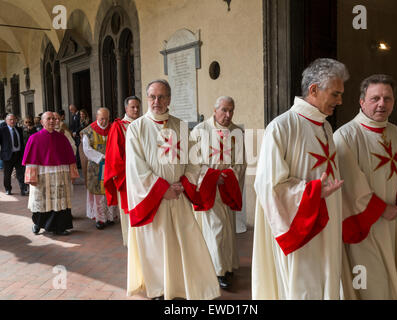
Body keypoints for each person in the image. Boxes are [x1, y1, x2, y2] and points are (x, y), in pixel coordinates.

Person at [252, 58, 348, 300]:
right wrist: (312, 192)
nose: (340, 101)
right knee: (303, 284)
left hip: (328, 218)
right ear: (314, 89)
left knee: (327, 278)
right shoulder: (281, 127)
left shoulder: (325, 127)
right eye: (335, 94)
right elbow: (268, 185)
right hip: (300, 223)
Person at [125, 79, 220, 300]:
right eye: (152, 96)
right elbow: (135, 167)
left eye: (161, 97)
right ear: (147, 98)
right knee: (156, 245)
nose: (156, 101)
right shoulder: (136, 128)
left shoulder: (181, 126)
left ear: (169, 99)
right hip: (154, 198)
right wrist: (161, 189)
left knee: (183, 244)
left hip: (178, 197)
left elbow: (195, 160)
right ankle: (159, 288)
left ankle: (181, 285)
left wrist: (183, 183)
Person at [334, 74, 397, 299]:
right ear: (362, 101)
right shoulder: (346, 136)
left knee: (389, 278)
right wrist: (381, 209)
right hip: (363, 223)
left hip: (390, 224)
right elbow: (349, 185)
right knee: (369, 282)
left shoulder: (392, 132)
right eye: (375, 98)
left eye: (387, 98)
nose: (382, 103)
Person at [183, 96, 246, 289]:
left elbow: (241, 162)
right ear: (215, 109)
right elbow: (192, 162)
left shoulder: (237, 132)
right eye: (224, 110)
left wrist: (229, 176)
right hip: (208, 189)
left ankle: (227, 266)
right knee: (215, 229)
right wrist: (210, 177)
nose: (228, 115)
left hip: (227, 187)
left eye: (231, 110)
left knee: (227, 229)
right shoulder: (200, 131)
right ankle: (218, 271)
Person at [22, 111, 79, 236]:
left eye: (53, 118)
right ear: (42, 122)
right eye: (48, 119)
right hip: (42, 176)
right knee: (41, 200)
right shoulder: (34, 138)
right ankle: (38, 224)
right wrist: (31, 177)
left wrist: (72, 174)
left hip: (60, 175)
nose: (52, 121)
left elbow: (70, 158)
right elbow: (31, 161)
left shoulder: (62, 138)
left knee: (59, 201)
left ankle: (59, 227)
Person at [104, 96, 141, 247]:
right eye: (132, 107)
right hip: (127, 176)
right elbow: (114, 155)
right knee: (129, 210)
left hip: (144, 175)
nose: (136, 110)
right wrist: (123, 175)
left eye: (138, 106)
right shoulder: (118, 126)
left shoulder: (143, 124)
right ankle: (131, 242)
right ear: (126, 109)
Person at [81, 107, 118, 230]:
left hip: (110, 166)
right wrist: (102, 157)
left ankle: (110, 217)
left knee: (110, 190)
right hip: (96, 167)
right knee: (98, 193)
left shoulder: (113, 128)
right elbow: (87, 149)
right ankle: (100, 219)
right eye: (102, 119)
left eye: (107, 119)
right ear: (97, 117)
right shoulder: (88, 131)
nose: (104, 121)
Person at [0, 114, 26, 196]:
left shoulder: (19, 129)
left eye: (14, 119)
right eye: (10, 119)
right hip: (7, 156)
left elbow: (21, 142)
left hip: (18, 155)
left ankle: (23, 189)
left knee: (21, 173)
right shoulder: (2, 130)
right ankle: (8, 189)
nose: (12, 121)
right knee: (7, 175)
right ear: (6, 121)